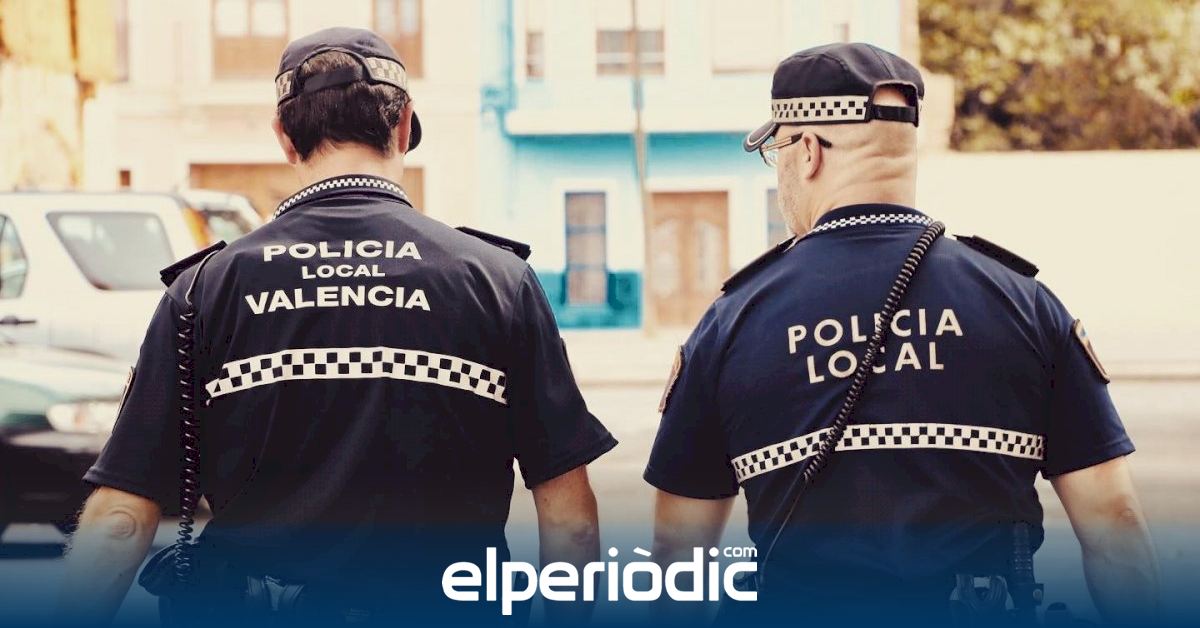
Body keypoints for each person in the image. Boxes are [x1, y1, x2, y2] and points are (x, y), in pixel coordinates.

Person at [59, 27, 616, 626]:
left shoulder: (204, 290)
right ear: (403, 125)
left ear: (284, 136)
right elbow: (571, 524)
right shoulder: (498, 281)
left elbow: (121, 520)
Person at [645, 43, 1159, 625]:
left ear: (808, 151)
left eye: (778, 151)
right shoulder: (1025, 304)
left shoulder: (732, 323)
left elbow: (677, 554)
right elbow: (1114, 524)